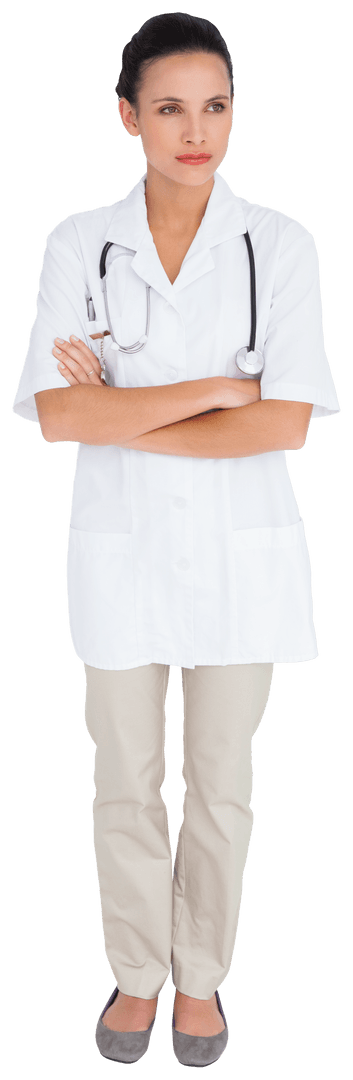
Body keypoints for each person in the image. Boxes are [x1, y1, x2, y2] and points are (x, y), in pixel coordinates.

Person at [11, 10, 341, 1069]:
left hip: (244, 563)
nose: (194, 130)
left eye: (214, 106)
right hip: (120, 556)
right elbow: (59, 418)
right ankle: (135, 972)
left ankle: (198, 980)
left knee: (220, 780)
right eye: (168, 107)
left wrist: (132, 408)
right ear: (126, 116)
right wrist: (213, 391)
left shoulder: (277, 244)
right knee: (121, 774)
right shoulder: (79, 242)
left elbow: (283, 423)